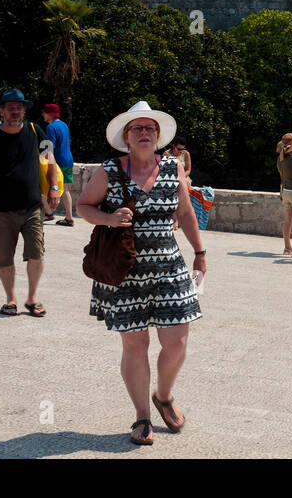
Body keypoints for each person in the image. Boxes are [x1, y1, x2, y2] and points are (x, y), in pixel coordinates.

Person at [76, 101, 206, 446]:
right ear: (127, 137)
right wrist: (107, 218)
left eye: (150, 128)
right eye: (138, 129)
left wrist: (200, 253)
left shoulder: (173, 168)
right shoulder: (108, 170)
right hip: (124, 271)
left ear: (158, 136)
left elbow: (185, 210)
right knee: (136, 345)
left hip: (169, 267)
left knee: (176, 342)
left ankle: (163, 396)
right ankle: (142, 417)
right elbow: (83, 206)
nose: (145, 133)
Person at [0, 89, 59, 317]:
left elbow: (49, 160)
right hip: (0, 209)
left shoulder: (35, 131)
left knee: (36, 252)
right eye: (11, 108)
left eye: (19, 107)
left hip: (31, 207)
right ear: (1, 111)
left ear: (24, 110)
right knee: (2, 256)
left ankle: (32, 297)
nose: (16, 111)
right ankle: (11, 298)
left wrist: (55, 188)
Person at [41, 103, 75, 226]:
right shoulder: (64, 125)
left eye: (44, 112)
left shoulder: (51, 127)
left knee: (42, 188)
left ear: (50, 114)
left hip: (57, 162)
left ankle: (48, 213)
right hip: (68, 160)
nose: (43, 114)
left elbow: (50, 147)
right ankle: (69, 218)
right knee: (65, 190)